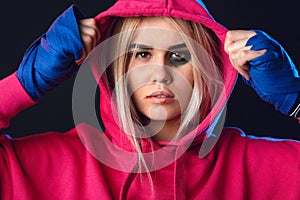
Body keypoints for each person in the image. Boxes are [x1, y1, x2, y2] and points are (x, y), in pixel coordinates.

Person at [0, 0, 299, 199]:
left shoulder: (256, 165)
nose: (161, 74)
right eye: (142, 54)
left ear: (210, 67)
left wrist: (296, 99)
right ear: (117, 65)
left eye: (179, 57)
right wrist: (25, 84)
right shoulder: (54, 164)